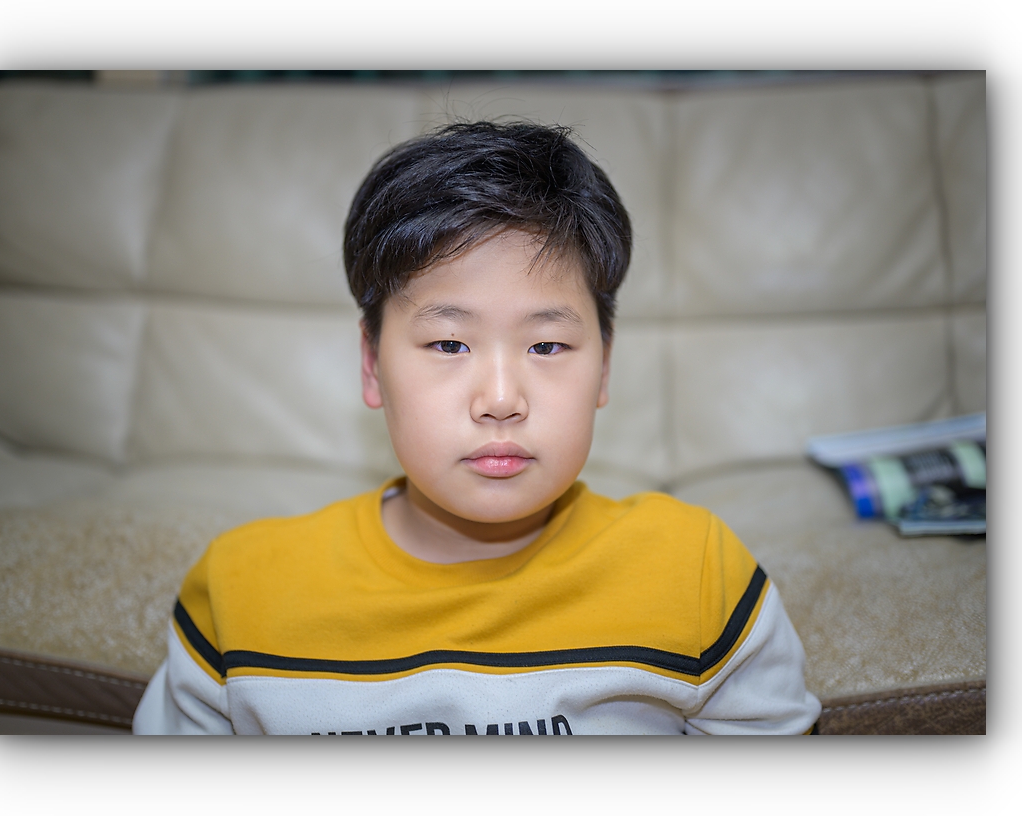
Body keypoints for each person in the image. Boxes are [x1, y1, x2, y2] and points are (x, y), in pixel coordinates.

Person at [132, 121, 821, 735]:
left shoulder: (696, 572)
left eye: (547, 345)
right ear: (372, 366)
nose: (499, 400)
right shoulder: (241, 592)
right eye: (448, 344)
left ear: (604, 368)